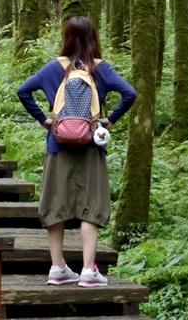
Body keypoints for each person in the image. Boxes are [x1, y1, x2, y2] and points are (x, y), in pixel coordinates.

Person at [17, 16, 136, 288]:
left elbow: (23, 91)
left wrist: (45, 121)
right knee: (90, 206)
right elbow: (130, 93)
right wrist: (109, 120)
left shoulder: (53, 69)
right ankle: (87, 271)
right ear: (94, 38)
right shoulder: (99, 70)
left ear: (67, 37)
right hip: (90, 147)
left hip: (57, 146)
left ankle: (58, 267)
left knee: (55, 206)